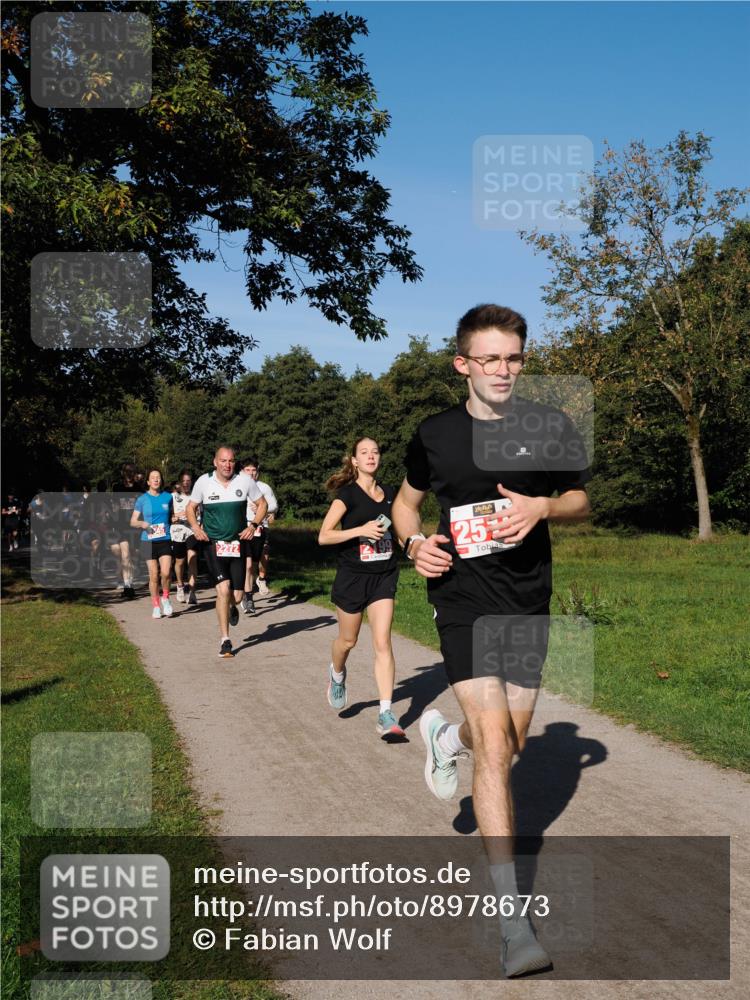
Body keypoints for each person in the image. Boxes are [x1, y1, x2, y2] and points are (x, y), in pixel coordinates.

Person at [392, 303, 591, 978]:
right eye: (489, 359)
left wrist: (542, 506)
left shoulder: (549, 426)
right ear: (463, 365)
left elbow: (581, 502)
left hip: (527, 602)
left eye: (513, 358)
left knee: (509, 739)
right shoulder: (435, 434)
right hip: (462, 601)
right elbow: (404, 504)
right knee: (498, 749)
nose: (502, 370)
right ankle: (513, 925)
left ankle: (445, 739)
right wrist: (415, 544)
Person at [318, 437, 404, 739]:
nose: (370, 456)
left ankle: (385, 713)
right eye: (364, 452)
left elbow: (404, 527)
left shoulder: (392, 494)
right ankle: (337, 674)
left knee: (383, 642)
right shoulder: (347, 496)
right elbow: (324, 536)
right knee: (348, 641)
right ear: (354, 461)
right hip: (353, 576)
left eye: (375, 451)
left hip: (383, 575)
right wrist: (360, 531)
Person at [186, 446, 267, 658]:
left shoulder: (244, 481)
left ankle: (233, 606)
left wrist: (253, 525)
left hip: (237, 544)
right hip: (213, 543)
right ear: (215, 462)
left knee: (237, 596)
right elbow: (190, 508)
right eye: (223, 461)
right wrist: (196, 527)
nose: (227, 465)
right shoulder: (203, 482)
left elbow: (262, 504)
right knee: (223, 589)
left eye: (230, 461)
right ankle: (225, 639)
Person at [131, 469, 174, 619]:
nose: (156, 480)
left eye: (158, 477)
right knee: (154, 575)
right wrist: (142, 523)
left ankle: (166, 598)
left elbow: (172, 516)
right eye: (153, 478)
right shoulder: (142, 499)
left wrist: (175, 519)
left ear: (161, 481)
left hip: (165, 539)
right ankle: (156, 605)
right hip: (148, 541)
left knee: (167, 572)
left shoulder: (168, 497)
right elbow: (132, 521)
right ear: (148, 482)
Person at [239, 457, 278, 614]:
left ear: (257, 472)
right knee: (247, 565)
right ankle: (248, 597)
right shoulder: (237, 486)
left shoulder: (263, 487)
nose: (251, 473)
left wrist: (263, 510)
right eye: (247, 470)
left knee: (254, 564)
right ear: (242, 472)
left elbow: (274, 505)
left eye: (253, 470)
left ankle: (251, 587)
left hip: (259, 529)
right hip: (242, 528)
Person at [111, 463, 143, 599]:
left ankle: (129, 582)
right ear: (123, 472)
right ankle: (127, 586)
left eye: (132, 471)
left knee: (134, 556)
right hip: (121, 526)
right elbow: (113, 506)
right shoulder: (117, 487)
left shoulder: (138, 488)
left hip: (135, 526)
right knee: (125, 554)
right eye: (127, 471)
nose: (129, 474)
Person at [171, 469, 199, 605]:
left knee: (192, 559)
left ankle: (192, 592)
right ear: (179, 482)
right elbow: (168, 515)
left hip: (193, 531)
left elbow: (203, 514)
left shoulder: (197, 497)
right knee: (180, 562)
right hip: (177, 531)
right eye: (184, 481)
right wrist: (173, 517)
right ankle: (180, 585)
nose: (186, 484)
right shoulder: (173, 497)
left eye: (188, 481)